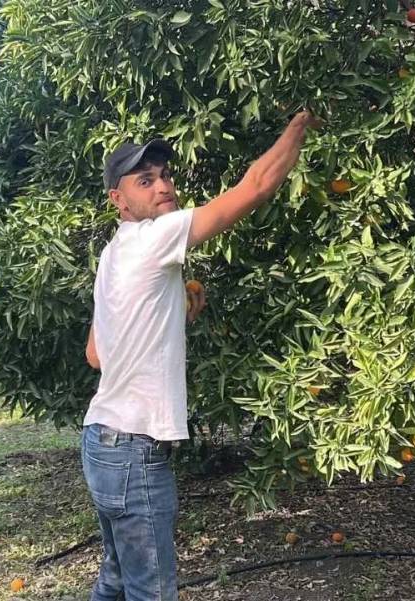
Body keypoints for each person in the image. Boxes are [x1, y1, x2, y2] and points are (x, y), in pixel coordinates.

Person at [80, 110, 320, 601]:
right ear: (118, 200)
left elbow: (97, 355)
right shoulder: (155, 238)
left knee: (117, 580)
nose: (163, 186)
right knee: (153, 591)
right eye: (145, 181)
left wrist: (171, 316)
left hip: (102, 442)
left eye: (165, 175)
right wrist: (299, 126)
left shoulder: (113, 254)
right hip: (134, 449)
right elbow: (256, 186)